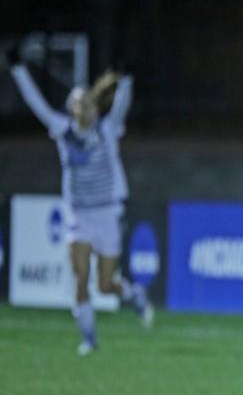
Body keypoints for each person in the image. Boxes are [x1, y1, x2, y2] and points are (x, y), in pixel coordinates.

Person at [6, 43, 153, 355]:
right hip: (78, 215)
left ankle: (133, 293)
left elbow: (122, 106)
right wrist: (18, 69)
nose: (85, 106)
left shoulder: (108, 129)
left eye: (88, 101)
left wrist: (126, 80)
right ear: (71, 109)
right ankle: (89, 339)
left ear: (95, 108)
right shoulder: (62, 131)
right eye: (79, 102)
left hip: (107, 213)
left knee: (104, 285)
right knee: (79, 278)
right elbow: (36, 104)